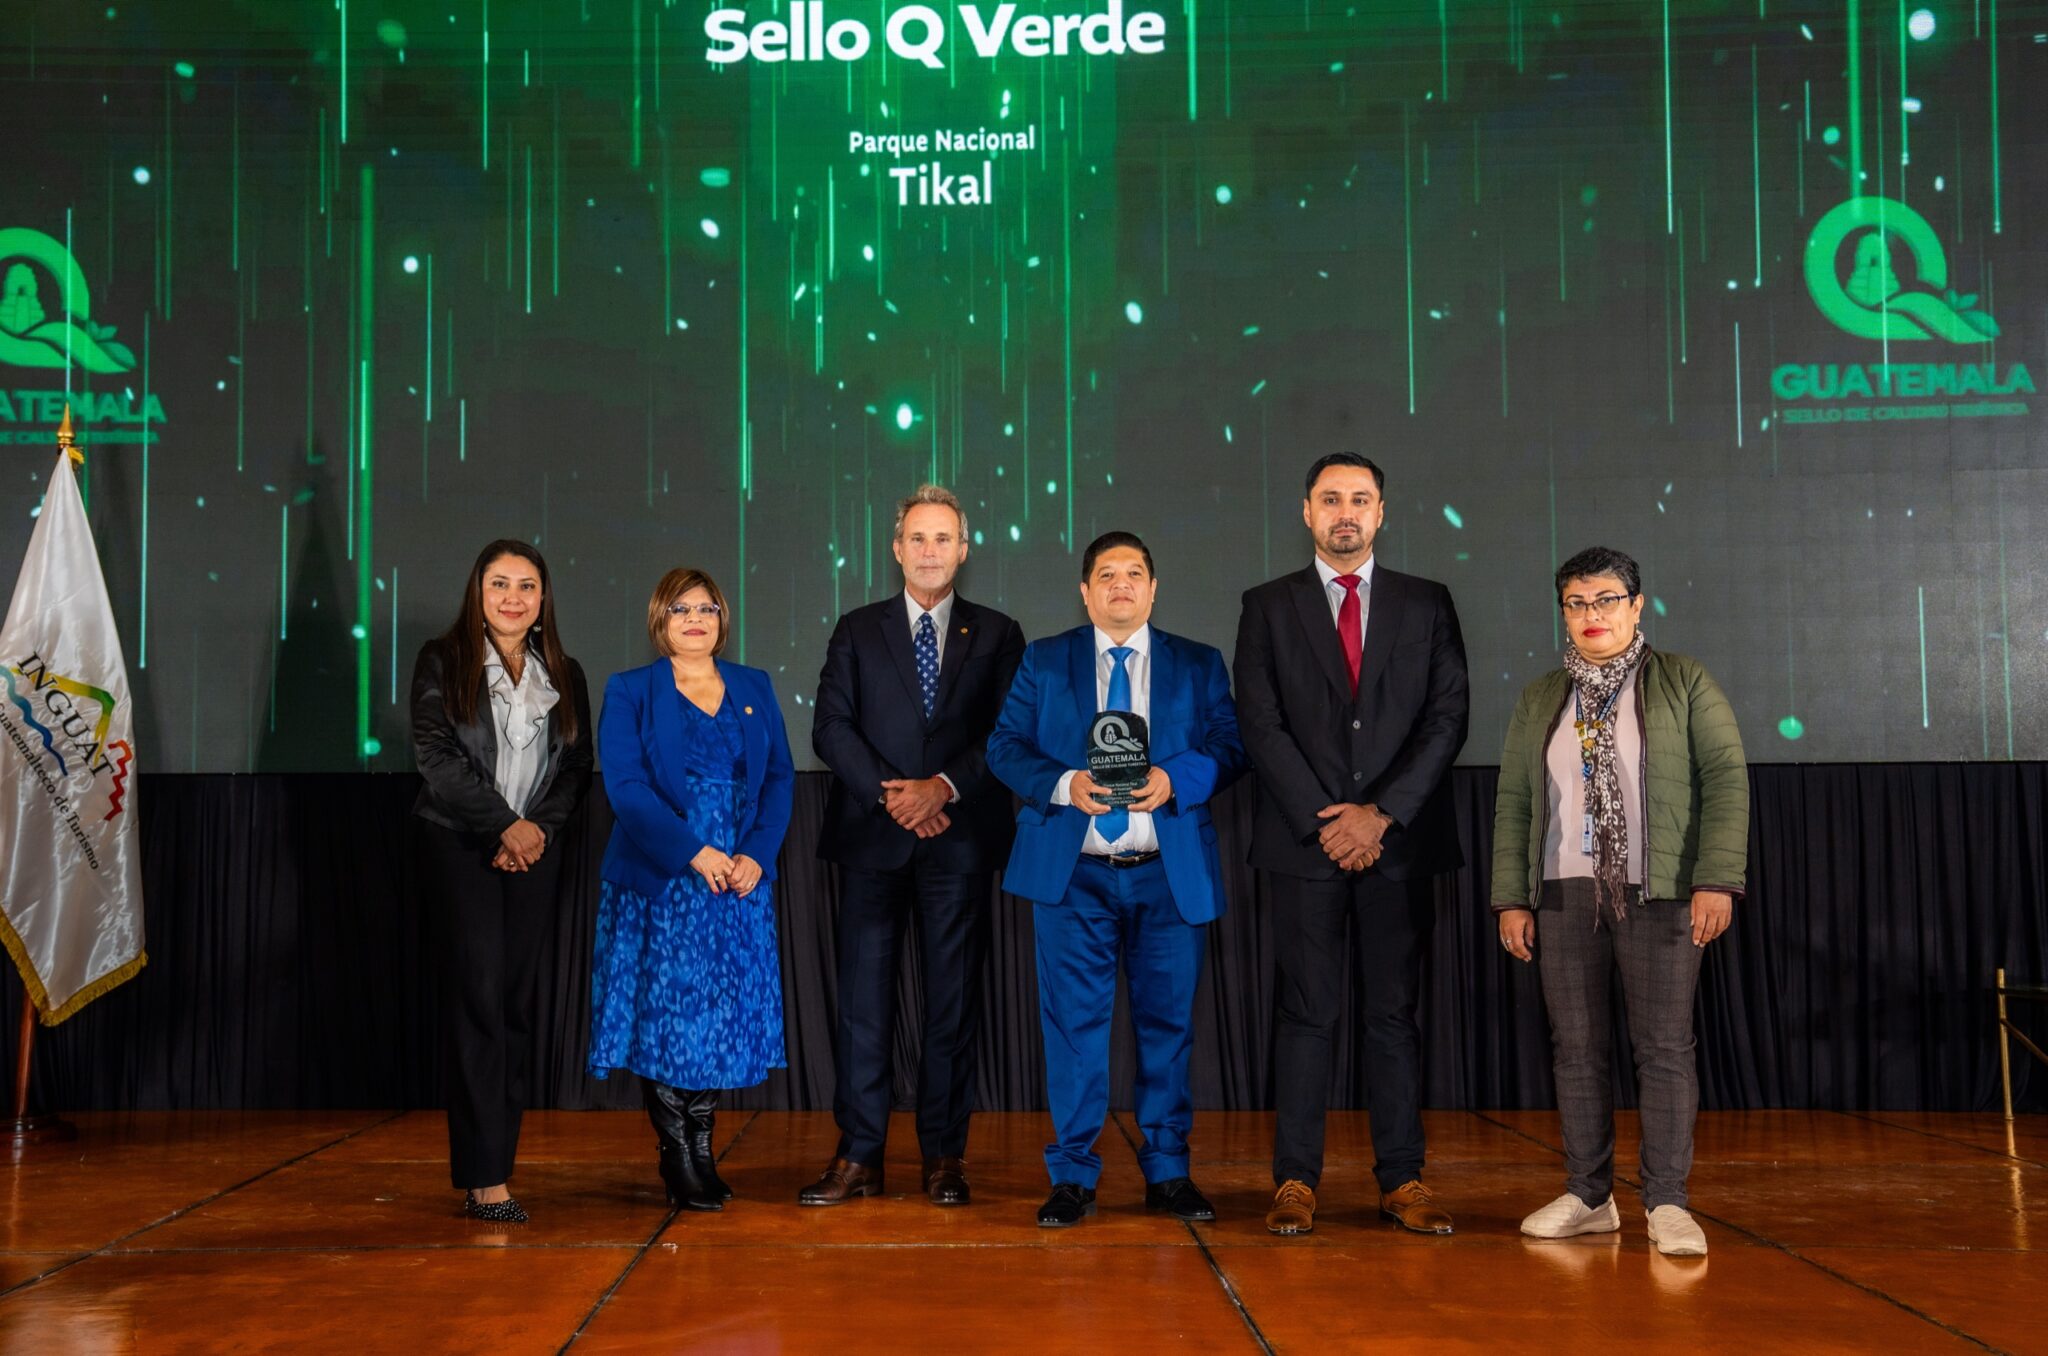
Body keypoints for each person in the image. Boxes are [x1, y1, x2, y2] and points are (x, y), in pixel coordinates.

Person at [1233, 453, 1469, 1237]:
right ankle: (1295, 1181)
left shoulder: (1427, 603)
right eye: (1330, 499)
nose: (1345, 512)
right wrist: (1329, 822)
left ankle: (1402, 1180)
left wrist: (1381, 815)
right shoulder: (1267, 606)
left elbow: (1446, 719)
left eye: (1360, 499)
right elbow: (1260, 722)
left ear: (1381, 512)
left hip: (1399, 845)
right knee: (1306, 1015)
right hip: (1305, 846)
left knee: (1392, 1016)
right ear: (1306, 512)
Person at [1491, 546, 1747, 1258]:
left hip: (1659, 890)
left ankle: (1667, 1202)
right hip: (1562, 891)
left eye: (1606, 600)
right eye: (1576, 603)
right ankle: (1588, 1195)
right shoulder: (1542, 696)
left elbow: (1726, 778)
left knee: (1663, 1047)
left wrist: (1716, 878)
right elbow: (1515, 801)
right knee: (1575, 1048)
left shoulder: (1683, 680)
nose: (1591, 615)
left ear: (1636, 606)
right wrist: (1512, 897)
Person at [987, 531, 1246, 1228]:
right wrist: (1064, 784)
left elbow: (1230, 745)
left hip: (1167, 874)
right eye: (1106, 574)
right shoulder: (1045, 660)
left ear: (1154, 590)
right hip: (1074, 876)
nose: (1121, 585)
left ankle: (1168, 1172)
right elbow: (1004, 747)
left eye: (1134, 573)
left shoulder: (1197, 662)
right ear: (1085, 591)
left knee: (1169, 1028)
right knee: (1074, 1030)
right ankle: (1072, 1176)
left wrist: (1176, 777)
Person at [803, 485, 1027, 1207]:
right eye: (918, 538)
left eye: (943, 538)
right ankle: (858, 1156)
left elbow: (1009, 733)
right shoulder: (856, 629)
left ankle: (944, 1157)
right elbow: (830, 727)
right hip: (874, 840)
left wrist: (943, 788)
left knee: (951, 1007)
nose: (930, 551)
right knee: (862, 1007)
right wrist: (897, 796)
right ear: (897, 549)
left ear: (964, 550)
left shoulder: (999, 633)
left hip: (959, 842)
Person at [589, 568, 796, 1212]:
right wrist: (692, 851)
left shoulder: (754, 685)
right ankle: (676, 1152)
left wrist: (756, 855)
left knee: (719, 1017)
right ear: (660, 618)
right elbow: (626, 788)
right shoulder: (630, 689)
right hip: (664, 879)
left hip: (737, 880)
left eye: (707, 608)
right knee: (668, 1018)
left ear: (722, 619)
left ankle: (702, 1148)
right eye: (680, 609)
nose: (695, 619)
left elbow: (779, 779)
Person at [410, 540, 592, 1224]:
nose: (513, 597)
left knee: (513, 1008)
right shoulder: (442, 659)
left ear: (543, 599)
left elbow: (575, 767)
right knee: (479, 1005)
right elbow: (436, 758)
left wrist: (534, 830)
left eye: (526, 586)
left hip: (535, 852)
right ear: (477, 591)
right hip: (462, 849)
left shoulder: (565, 672)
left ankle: (497, 1165)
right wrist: (502, 828)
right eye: (499, 584)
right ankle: (485, 1180)